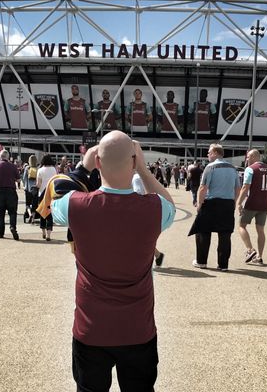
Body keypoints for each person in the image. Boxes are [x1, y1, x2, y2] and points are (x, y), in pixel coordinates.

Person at [51, 131, 175, 391]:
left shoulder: (77, 205)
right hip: (137, 328)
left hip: (91, 327)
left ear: (98, 162)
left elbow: (57, 194)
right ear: (133, 162)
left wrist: (82, 167)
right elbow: (169, 204)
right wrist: (142, 168)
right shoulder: (154, 209)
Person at [189, 144, 241, 271]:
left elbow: (203, 187)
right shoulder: (233, 168)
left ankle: (201, 261)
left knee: (203, 231)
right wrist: (234, 201)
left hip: (211, 202)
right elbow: (237, 188)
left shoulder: (210, 167)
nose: (208, 155)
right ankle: (223, 264)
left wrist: (199, 203)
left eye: (209, 152)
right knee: (225, 234)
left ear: (216, 153)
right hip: (228, 203)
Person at [236, 149, 267, 265]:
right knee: (260, 230)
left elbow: (245, 187)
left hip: (252, 202)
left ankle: (250, 249)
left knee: (241, 225)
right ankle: (260, 257)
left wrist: (239, 202)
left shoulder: (250, 169)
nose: (247, 159)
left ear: (252, 156)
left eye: (248, 157)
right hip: (264, 203)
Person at [0, 149, 21, 240]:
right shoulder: (13, 166)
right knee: (12, 212)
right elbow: (18, 180)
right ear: (8, 157)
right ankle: (13, 227)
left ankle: (1, 233)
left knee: (0, 214)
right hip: (11, 192)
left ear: (0, 156)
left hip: (0, 192)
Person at [35, 154, 58, 241]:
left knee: (42, 213)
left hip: (42, 194)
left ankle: (43, 232)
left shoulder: (40, 170)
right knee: (50, 214)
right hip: (51, 193)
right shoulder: (53, 169)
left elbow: (38, 184)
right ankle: (49, 234)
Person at [21, 155, 39, 223]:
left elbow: (24, 178)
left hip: (28, 189)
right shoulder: (38, 168)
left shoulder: (27, 168)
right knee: (34, 205)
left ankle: (29, 214)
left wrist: (25, 186)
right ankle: (33, 218)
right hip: (35, 189)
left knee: (28, 204)